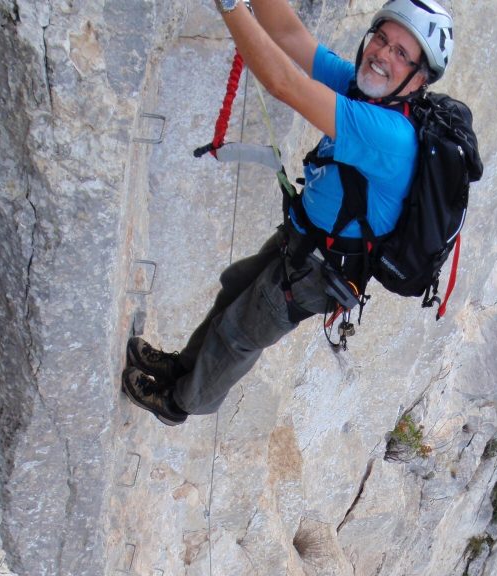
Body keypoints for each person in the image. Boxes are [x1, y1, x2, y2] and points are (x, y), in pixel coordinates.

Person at [121, 0, 455, 426]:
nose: (382, 54)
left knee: (240, 332)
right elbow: (288, 35)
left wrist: (230, 6)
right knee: (234, 290)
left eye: (401, 53)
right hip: (304, 239)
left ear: (419, 78)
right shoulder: (365, 88)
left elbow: (284, 83)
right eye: (381, 38)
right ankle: (185, 368)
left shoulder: (389, 134)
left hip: (318, 269)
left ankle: (180, 402)